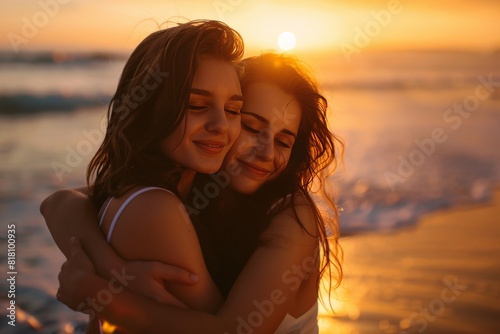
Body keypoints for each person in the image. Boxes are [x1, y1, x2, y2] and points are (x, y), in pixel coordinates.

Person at [42, 51, 343, 333]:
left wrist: (97, 295)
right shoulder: (195, 181)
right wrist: (111, 265)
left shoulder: (292, 215)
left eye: (283, 142)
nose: (266, 152)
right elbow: (61, 201)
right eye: (251, 127)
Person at [42, 19, 245, 332]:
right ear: (147, 107)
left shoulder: (131, 189)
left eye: (233, 110)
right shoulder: (155, 208)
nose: (221, 124)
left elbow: (57, 201)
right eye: (197, 104)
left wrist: (109, 267)